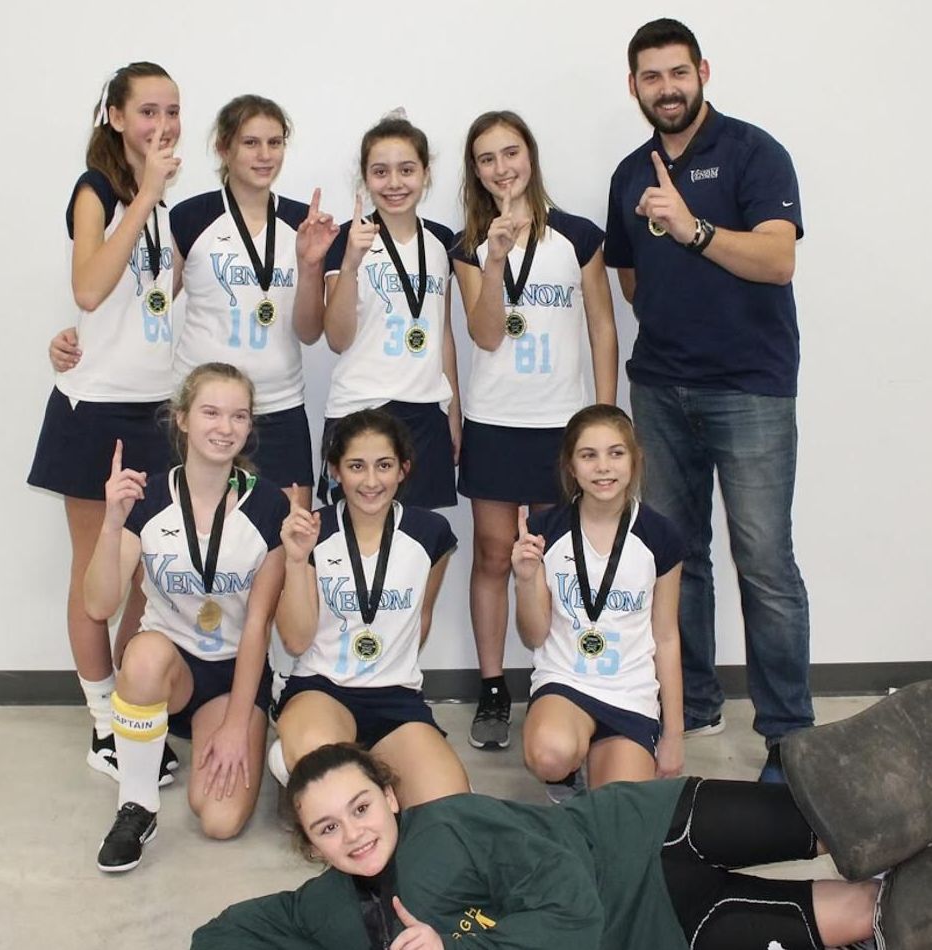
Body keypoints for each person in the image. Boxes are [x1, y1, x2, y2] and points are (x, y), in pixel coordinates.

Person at [195, 683, 932, 950]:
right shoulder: (325, 907)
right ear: (313, 847)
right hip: (656, 927)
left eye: (359, 807)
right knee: (878, 914)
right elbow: (218, 936)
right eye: (328, 829)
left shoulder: (447, 828)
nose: (352, 833)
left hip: (639, 831)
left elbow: (572, 910)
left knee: (842, 813)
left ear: (391, 794)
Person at [603, 18, 813, 781]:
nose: (667, 88)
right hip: (659, 388)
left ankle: (790, 736)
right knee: (675, 559)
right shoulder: (631, 172)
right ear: (634, 87)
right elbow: (630, 278)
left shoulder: (754, 152)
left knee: (764, 561)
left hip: (750, 390)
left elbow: (778, 258)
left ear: (703, 73)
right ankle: (690, 702)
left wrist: (694, 231)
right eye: (651, 77)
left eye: (677, 73)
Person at [53, 94, 338, 508]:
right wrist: (76, 335)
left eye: (274, 143)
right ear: (223, 148)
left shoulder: (303, 223)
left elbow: (311, 331)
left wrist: (311, 266)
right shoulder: (187, 217)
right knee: (197, 544)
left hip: (280, 411)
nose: (264, 155)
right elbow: (146, 302)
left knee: (287, 544)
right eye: (250, 143)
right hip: (202, 412)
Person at [28, 62, 182, 785]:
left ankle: (131, 708)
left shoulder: (165, 204)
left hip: (157, 414)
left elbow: (146, 308)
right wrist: (145, 195)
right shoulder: (98, 191)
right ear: (116, 117)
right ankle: (101, 722)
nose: (162, 125)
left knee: (151, 579)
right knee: (99, 578)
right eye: (147, 111)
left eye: (172, 111)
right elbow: (89, 284)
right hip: (94, 415)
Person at [451, 111, 618, 750]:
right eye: (487, 158)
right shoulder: (468, 244)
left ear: (531, 156)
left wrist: (602, 417)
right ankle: (494, 687)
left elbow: (603, 326)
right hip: (498, 422)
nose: (501, 168)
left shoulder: (577, 235)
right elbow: (487, 333)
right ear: (476, 171)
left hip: (562, 425)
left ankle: (559, 679)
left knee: (558, 556)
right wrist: (494, 259)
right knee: (494, 555)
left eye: (510, 153)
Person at [83, 363, 288, 872]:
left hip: (231, 676)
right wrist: (111, 525)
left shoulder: (269, 506)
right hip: (168, 666)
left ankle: (241, 744)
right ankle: (137, 804)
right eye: (211, 412)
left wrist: (239, 723)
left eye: (238, 416)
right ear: (182, 419)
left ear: (249, 426)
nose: (225, 427)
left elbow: (259, 626)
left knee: (220, 821)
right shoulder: (147, 498)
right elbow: (100, 605)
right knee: (144, 654)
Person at [269, 409, 470, 807]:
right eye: (356, 466)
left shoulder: (431, 533)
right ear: (335, 471)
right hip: (321, 688)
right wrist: (294, 560)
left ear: (403, 469)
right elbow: (294, 640)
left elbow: (421, 619)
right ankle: (297, 758)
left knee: (449, 808)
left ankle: (370, 767)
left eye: (384, 465)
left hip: (396, 696)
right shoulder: (311, 530)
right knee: (333, 783)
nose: (372, 480)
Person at [512, 405, 684, 800]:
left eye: (616, 453)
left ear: (635, 459)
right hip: (565, 682)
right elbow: (534, 633)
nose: (603, 467)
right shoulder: (544, 531)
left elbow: (668, 637)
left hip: (630, 690)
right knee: (550, 754)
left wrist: (673, 733)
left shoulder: (661, 536)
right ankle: (566, 774)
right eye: (588, 455)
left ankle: (604, 756)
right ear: (571, 466)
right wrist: (524, 580)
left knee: (619, 811)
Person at [318, 113, 460, 510]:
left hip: (426, 413)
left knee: (419, 544)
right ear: (365, 178)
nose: (394, 183)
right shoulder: (348, 238)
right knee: (352, 544)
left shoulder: (440, 243)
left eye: (406, 170)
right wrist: (349, 264)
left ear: (425, 174)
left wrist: (452, 412)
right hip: (361, 409)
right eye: (380, 172)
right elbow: (337, 338)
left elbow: (442, 333)